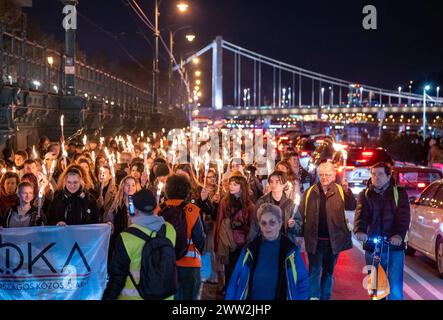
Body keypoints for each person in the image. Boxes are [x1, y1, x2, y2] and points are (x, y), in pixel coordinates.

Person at [102, 189, 177, 300]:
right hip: (165, 296)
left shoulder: (126, 237)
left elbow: (117, 277)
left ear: (134, 209)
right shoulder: (170, 229)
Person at [225, 203, 308, 300]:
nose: (267, 226)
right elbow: (235, 280)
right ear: (260, 225)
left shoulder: (291, 251)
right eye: (263, 223)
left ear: (280, 223)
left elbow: (302, 283)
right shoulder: (249, 250)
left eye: (272, 222)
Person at [299, 161, 356, 300]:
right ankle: (313, 297)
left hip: (333, 241)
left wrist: (347, 190)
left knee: (328, 273)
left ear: (334, 175)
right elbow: (301, 214)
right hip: (314, 241)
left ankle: (325, 297)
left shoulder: (341, 190)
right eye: (322, 175)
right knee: (313, 271)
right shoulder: (309, 192)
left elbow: (351, 205)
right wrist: (299, 235)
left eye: (328, 175)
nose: (324, 178)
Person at [354, 162, 410, 300]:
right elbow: (360, 216)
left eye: (380, 174)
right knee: (375, 290)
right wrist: (360, 231)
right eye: (373, 174)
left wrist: (398, 235)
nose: (376, 177)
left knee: (395, 289)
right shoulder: (365, 194)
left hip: (394, 248)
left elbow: (404, 218)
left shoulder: (399, 193)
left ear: (388, 176)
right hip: (373, 248)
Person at [160, 174, 206, 300]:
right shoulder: (192, 210)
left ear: (167, 190)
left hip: (165, 264)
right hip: (190, 265)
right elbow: (199, 239)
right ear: (187, 191)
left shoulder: (159, 210)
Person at [214, 171, 255, 288]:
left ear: (242, 187)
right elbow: (219, 221)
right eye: (231, 184)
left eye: (235, 184)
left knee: (241, 272)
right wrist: (217, 243)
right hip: (229, 242)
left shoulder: (249, 205)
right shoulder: (224, 202)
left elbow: (252, 226)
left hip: (243, 244)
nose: (231, 186)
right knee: (229, 272)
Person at [248, 170, 302, 245]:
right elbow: (255, 224)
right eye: (271, 182)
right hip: (266, 242)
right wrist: (251, 243)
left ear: (284, 184)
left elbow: (298, 227)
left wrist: (293, 226)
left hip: (285, 243)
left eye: (277, 182)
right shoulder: (262, 202)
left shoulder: (290, 204)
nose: (274, 184)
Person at [105, 176, 140, 260]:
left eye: (133, 185)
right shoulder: (117, 202)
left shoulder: (139, 202)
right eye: (127, 185)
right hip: (120, 238)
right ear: (123, 187)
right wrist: (109, 223)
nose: (130, 188)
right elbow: (109, 216)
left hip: (135, 239)